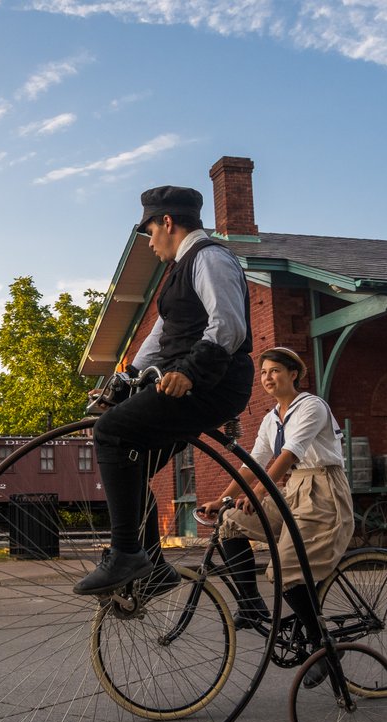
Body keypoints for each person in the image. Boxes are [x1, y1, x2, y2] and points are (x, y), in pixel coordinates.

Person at [74, 185, 254, 596]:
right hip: (189, 383)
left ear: (167, 222)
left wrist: (191, 371)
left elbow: (228, 325)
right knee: (129, 466)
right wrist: (118, 387)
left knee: (110, 434)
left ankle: (126, 554)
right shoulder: (180, 272)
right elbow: (158, 338)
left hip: (213, 383)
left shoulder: (210, 257)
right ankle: (152, 566)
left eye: (150, 230)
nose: (150, 240)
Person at [199, 347, 354, 681]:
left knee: (285, 569)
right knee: (230, 521)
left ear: (293, 374)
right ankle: (251, 604)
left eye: (275, 371)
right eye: (264, 373)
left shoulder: (311, 406)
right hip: (292, 490)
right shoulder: (272, 418)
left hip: (324, 493)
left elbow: (287, 454)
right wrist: (222, 499)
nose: (268, 378)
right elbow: (253, 462)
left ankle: (320, 648)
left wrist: (257, 492)